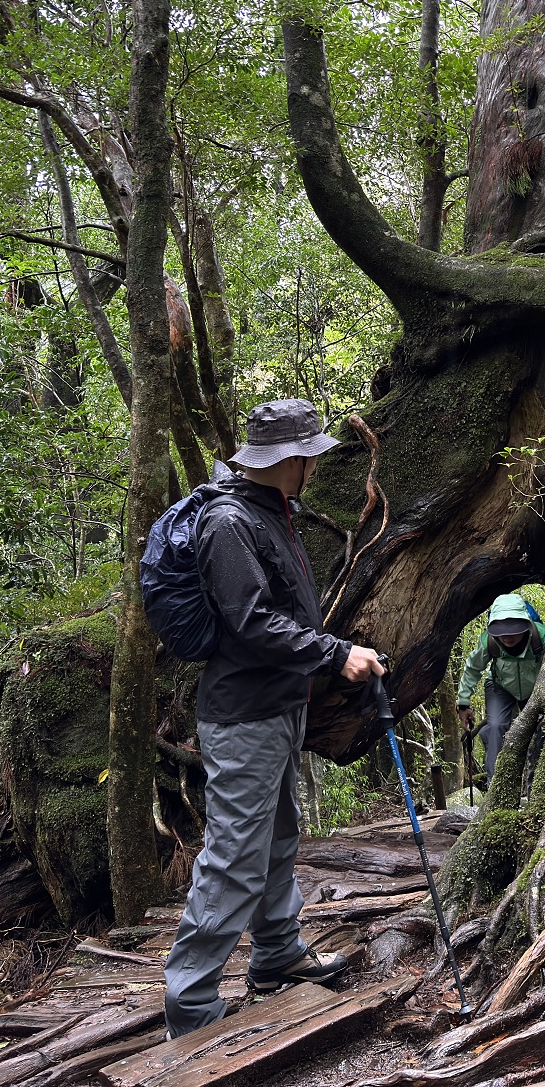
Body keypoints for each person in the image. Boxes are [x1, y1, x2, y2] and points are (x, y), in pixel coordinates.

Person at [162, 399, 386, 1040]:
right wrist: (335, 654)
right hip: (244, 718)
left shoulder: (269, 511)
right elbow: (252, 623)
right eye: (309, 456)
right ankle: (191, 1007)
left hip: (279, 708)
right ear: (291, 460)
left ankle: (278, 954)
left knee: (281, 835)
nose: (314, 466)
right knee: (234, 856)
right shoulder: (230, 522)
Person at [456, 592, 545, 785]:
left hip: (535, 689)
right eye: (502, 631)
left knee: (543, 729)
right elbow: (472, 668)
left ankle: (536, 787)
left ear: (525, 625)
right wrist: (463, 704)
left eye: (513, 630)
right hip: (500, 686)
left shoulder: (540, 636)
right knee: (496, 727)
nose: (507, 637)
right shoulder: (489, 641)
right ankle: (495, 786)